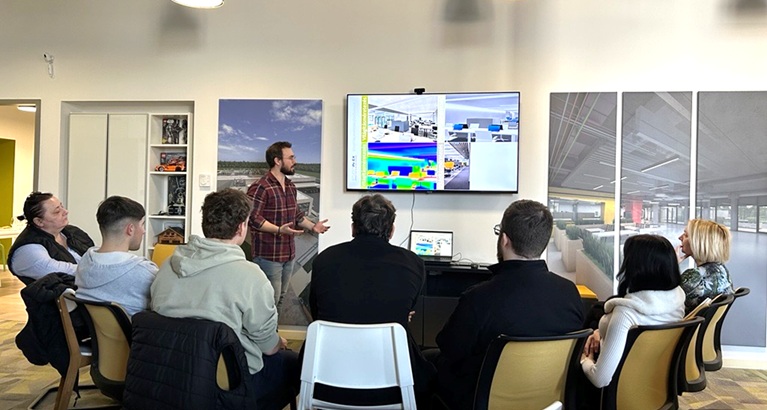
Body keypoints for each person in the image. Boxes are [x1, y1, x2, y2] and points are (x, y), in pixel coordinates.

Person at [151, 189, 297, 410]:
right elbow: (268, 348)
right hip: (227, 386)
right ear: (241, 228)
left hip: (173, 377)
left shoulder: (166, 267)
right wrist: (278, 342)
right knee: (293, 363)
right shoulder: (251, 277)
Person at [432, 199, 584, 410]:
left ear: (504, 239)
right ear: (543, 242)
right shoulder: (570, 292)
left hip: (482, 402)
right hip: (550, 402)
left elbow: (449, 348)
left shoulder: (479, 297)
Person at [308, 193, 435, 406]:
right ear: (391, 230)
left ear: (353, 228)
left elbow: (316, 313)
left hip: (324, 382)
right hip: (395, 387)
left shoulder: (324, 259)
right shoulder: (414, 263)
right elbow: (406, 310)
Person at [579, 234, 685, 408]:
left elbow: (600, 378)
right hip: (656, 385)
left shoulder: (625, 314)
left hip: (618, 392)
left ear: (636, 267)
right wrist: (601, 332)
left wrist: (585, 359)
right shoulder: (677, 297)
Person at [247, 141, 330, 308]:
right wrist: (279, 230)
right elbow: (252, 218)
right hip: (268, 256)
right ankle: (267, 326)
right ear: (277, 161)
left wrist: (313, 226)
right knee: (268, 301)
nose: (295, 161)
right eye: (291, 158)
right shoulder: (260, 187)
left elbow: (297, 215)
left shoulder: (291, 186)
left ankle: (274, 326)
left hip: (288, 254)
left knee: (281, 298)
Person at [75, 196, 157, 318]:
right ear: (130, 229)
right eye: (142, 225)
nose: (144, 231)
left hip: (89, 329)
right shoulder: (145, 271)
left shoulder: (85, 261)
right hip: (133, 330)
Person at [8, 191, 94, 284]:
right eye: (57, 212)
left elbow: (96, 255)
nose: (65, 212)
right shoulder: (27, 249)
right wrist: (97, 270)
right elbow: (57, 270)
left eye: (62, 206)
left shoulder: (73, 232)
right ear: (39, 221)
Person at [677, 219, 734, 312]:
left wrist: (671, 265)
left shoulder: (695, 276)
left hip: (681, 321)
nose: (680, 237)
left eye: (686, 235)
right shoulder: (722, 270)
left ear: (698, 242)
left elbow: (663, 301)